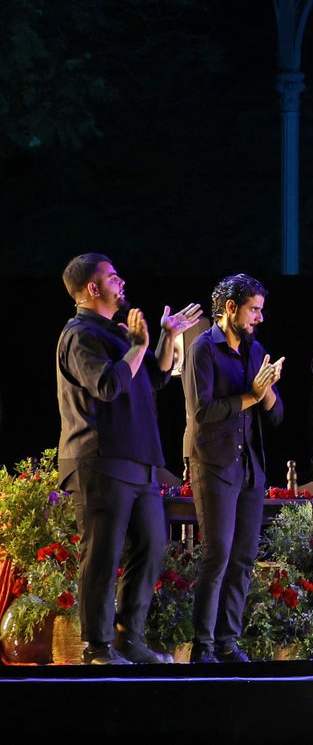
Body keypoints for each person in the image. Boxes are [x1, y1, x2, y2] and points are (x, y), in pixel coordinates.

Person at [55, 253, 204, 664]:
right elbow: (107, 385)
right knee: (101, 553)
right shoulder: (79, 335)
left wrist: (166, 337)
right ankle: (96, 647)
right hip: (100, 458)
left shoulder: (117, 333)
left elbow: (153, 377)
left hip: (138, 461)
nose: (121, 282)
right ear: (92, 288)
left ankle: (128, 639)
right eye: (112, 277)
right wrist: (137, 346)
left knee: (152, 546)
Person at [182, 273, 284, 663]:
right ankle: (202, 646)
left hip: (250, 467)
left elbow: (276, 418)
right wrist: (251, 395)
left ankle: (227, 641)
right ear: (230, 308)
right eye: (253, 309)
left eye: (260, 310)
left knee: (243, 557)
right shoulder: (203, 349)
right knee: (217, 554)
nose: (259, 317)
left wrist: (269, 389)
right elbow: (203, 412)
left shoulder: (257, 353)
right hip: (213, 463)